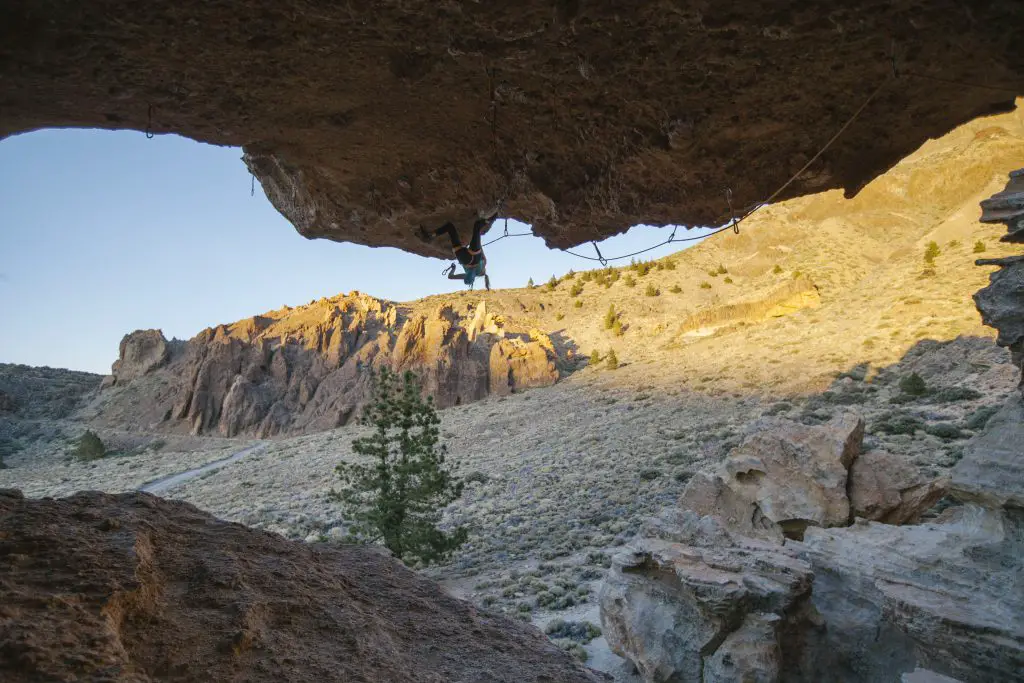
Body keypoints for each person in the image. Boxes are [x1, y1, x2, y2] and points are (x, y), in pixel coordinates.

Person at [423, 213, 495, 290]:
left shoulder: (481, 272)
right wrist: (453, 268)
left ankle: (492, 218)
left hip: (474, 256)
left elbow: (483, 258)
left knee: (477, 226)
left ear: (473, 279)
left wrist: (478, 244)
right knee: (450, 227)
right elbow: (450, 277)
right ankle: (431, 235)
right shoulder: (465, 275)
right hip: (463, 258)